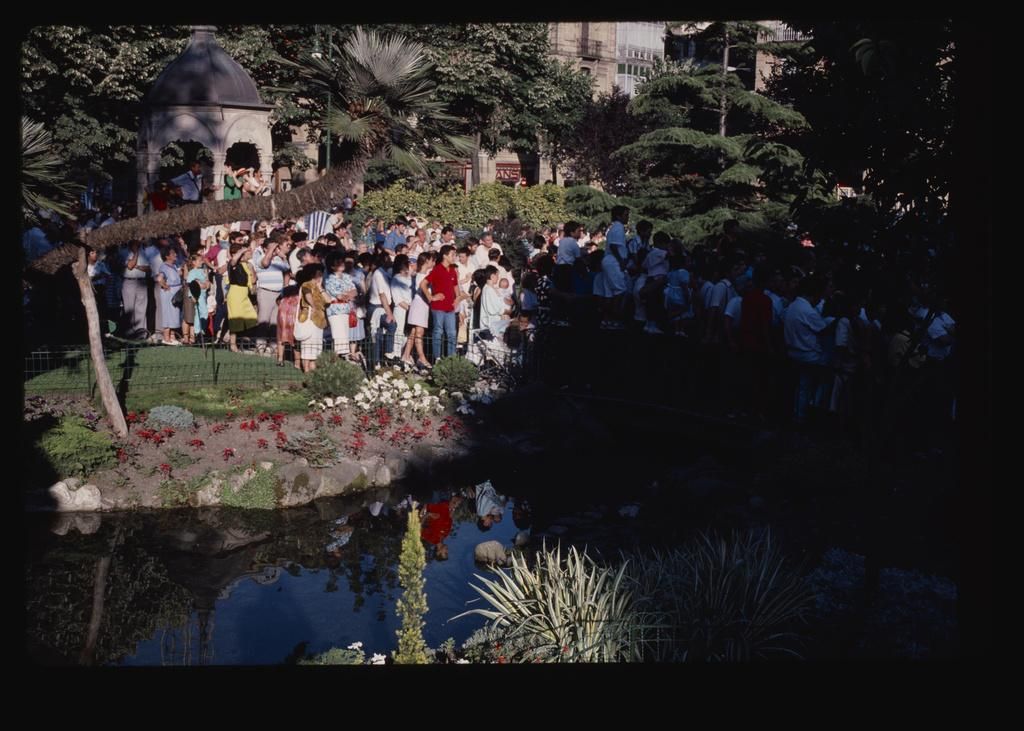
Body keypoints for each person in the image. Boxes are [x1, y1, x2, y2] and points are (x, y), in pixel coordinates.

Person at [422, 244, 465, 361]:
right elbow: (423, 284)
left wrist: (458, 297)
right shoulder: (437, 270)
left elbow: (455, 285)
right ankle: (437, 358)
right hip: (438, 307)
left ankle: (451, 358)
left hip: (450, 308)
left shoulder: (452, 270)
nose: (454, 257)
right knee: (438, 332)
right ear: (445, 256)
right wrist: (431, 297)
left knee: (452, 333)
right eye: (452, 255)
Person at [225, 242, 259, 352]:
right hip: (236, 294)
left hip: (244, 294)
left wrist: (252, 271)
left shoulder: (246, 265)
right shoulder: (233, 264)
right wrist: (242, 250)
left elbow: (253, 280)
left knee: (251, 317)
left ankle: (242, 340)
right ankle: (233, 344)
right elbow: (234, 260)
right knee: (235, 320)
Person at [155, 247, 183, 345]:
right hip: (169, 295)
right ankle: (166, 338)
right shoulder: (164, 267)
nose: (175, 254)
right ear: (167, 256)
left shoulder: (174, 266)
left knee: (174, 315)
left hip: (176, 294)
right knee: (168, 314)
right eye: (173, 253)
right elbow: (159, 279)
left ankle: (172, 336)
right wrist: (165, 286)